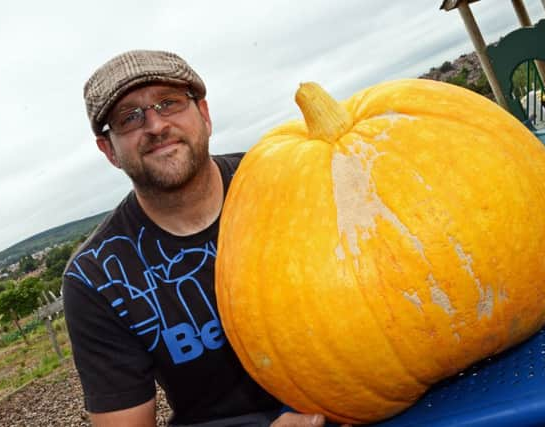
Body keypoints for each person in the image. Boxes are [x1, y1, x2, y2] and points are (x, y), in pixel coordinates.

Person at [63, 50, 341, 427]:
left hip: (363, 393)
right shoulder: (97, 277)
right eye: (129, 118)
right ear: (109, 150)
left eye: (169, 103)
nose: (156, 125)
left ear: (204, 114)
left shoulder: (283, 179)